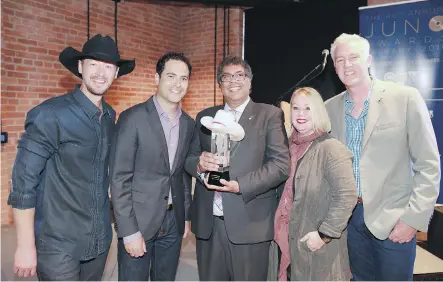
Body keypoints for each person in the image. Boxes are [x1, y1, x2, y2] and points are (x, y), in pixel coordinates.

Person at [7, 34, 135, 280]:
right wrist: (25, 246)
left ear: (116, 73)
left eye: (108, 66)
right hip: (58, 245)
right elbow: (23, 182)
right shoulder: (50, 114)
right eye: (94, 64)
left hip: (98, 242)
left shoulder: (109, 116)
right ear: (80, 67)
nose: (101, 73)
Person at [326, 33, 441, 281]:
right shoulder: (329, 109)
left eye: (353, 57)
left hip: (393, 217)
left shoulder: (405, 98)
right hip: (348, 221)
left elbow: (429, 165)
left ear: (368, 60)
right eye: (340, 60)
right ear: (334, 67)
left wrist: (412, 219)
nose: (347, 65)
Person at [185, 55, 290, 281]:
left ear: (250, 82)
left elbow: (281, 165)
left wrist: (240, 185)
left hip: (250, 225)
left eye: (240, 75)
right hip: (209, 226)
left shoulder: (269, 115)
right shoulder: (205, 117)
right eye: (226, 76)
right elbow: (189, 158)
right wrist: (199, 165)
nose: (233, 80)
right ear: (220, 83)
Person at [109, 52, 194, 281]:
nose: (177, 84)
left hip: (172, 222)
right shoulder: (132, 118)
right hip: (139, 221)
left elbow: (182, 175)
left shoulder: (188, 124)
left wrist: (185, 215)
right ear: (157, 79)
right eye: (171, 76)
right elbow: (119, 179)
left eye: (184, 78)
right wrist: (128, 232)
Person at [268, 87, 357, 281]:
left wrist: (323, 235)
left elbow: (347, 196)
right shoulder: (286, 148)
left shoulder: (331, 148)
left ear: (318, 111)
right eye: (296, 108)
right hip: (286, 241)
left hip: (317, 249)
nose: (300, 114)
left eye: (308, 108)